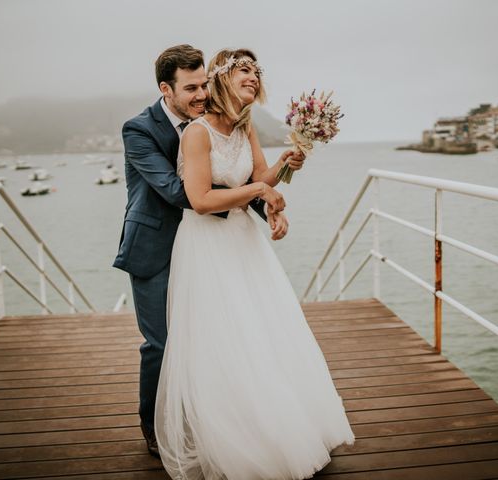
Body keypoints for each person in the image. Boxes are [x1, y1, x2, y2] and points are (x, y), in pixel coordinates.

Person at [155, 48, 354, 480]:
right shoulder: (197, 133)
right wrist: (260, 195)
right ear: (224, 78)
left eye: (256, 70)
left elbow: (257, 179)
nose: (253, 76)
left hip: (243, 240)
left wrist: (284, 164)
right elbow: (201, 200)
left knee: (263, 329)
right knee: (226, 335)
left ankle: (278, 427)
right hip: (206, 242)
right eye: (244, 69)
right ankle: (238, 437)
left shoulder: (246, 128)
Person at [112, 45, 303, 457]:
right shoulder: (139, 129)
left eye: (204, 84)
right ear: (166, 89)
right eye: (191, 88)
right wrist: (259, 191)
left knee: (213, 338)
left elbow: (233, 172)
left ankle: (211, 421)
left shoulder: (214, 121)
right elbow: (180, 192)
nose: (201, 95)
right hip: (156, 245)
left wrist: (272, 186)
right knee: (162, 343)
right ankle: (153, 425)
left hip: (208, 246)